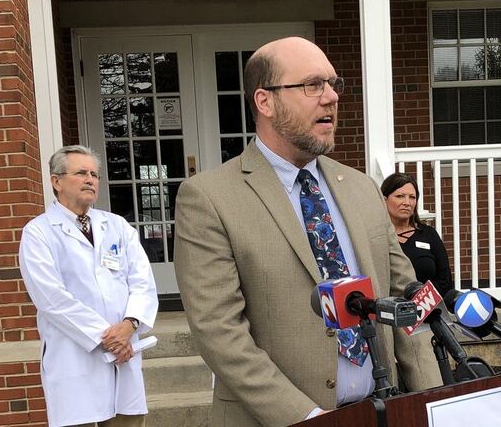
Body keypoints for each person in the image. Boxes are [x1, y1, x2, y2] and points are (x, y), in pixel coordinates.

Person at [173, 37, 441, 427]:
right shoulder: (209, 198)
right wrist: (309, 419)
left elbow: (404, 299)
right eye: (313, 85)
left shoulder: (362, 188)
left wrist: (428, 401)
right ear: (265, 101)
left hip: (380, 411)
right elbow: (220, 333)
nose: (331, 96)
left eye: (333, 84)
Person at [19, 145, 158, 427]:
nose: (90, 179)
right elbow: (51, 298)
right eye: (81, 172)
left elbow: (142, 281)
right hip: (74, 355)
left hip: (123, 350)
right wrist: (109, 338)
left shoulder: (117, 226)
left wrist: (129, 325)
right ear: (56, 181)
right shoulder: (38, 232)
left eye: (94, 174)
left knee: (127, 420)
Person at [381, 173, 453, 296]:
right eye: (400, 196)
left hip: (428, 308)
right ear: (384, 200)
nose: (407, 202)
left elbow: (445, 281)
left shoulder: (429, 234)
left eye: (412, 197)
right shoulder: (377, 237)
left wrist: (421, 299)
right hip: (389, 310)